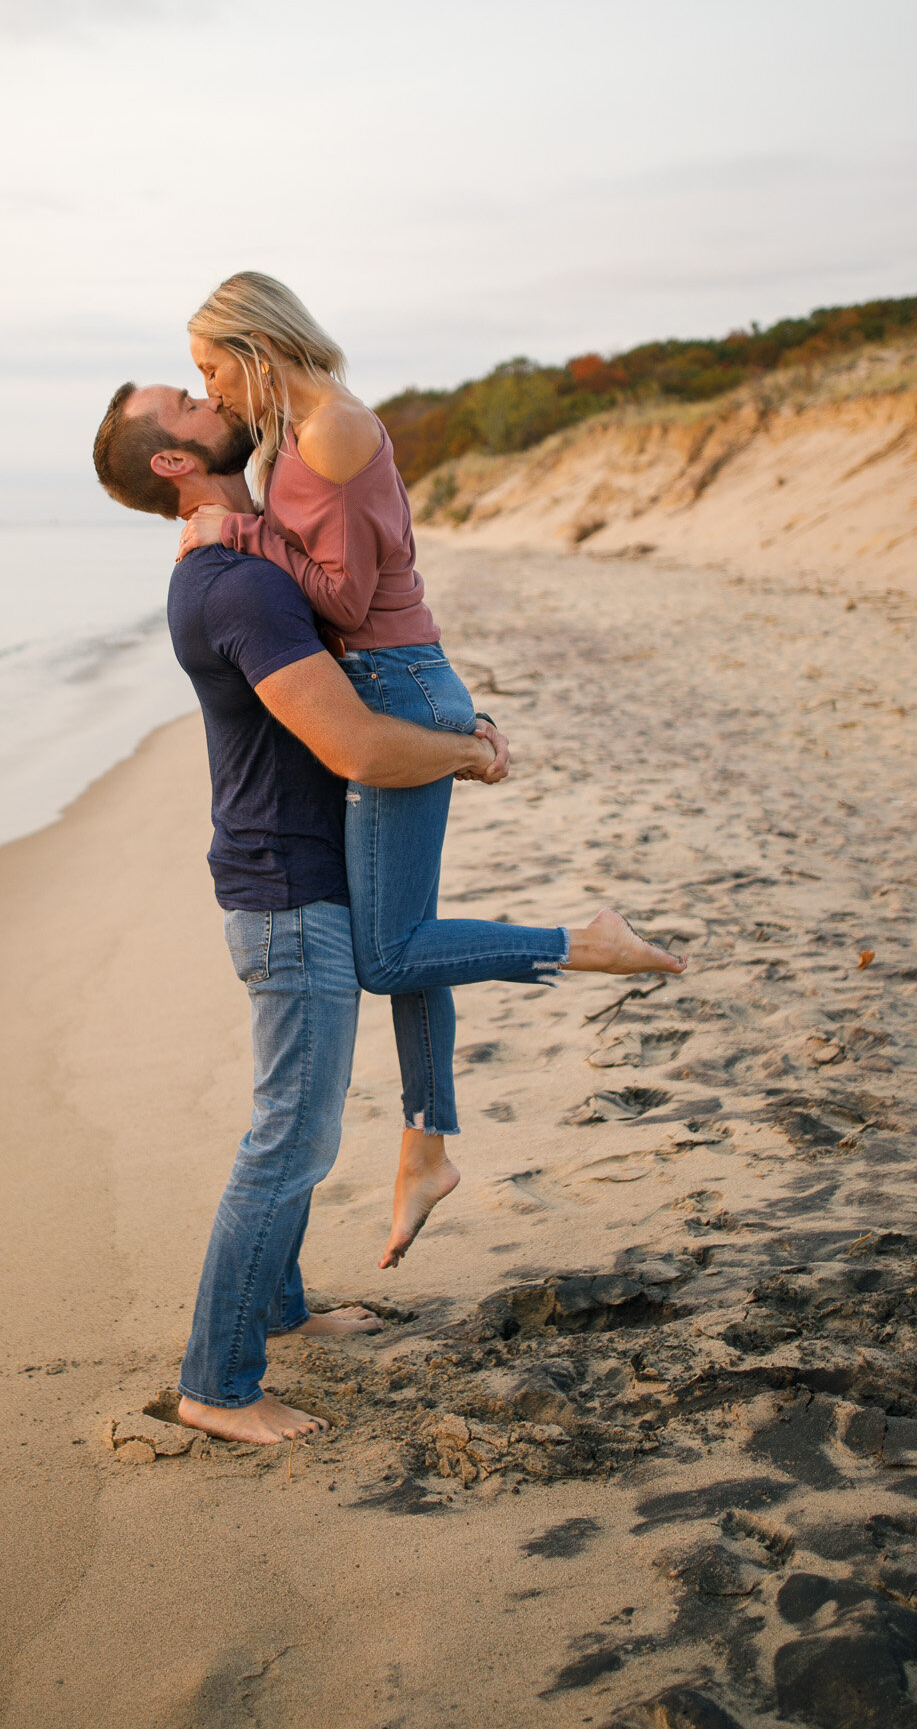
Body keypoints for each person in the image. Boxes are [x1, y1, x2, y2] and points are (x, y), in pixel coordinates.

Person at [91, 382, 681, 1443]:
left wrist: (462, 722)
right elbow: (358, 744)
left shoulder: (243, 553)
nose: (211, 395)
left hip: (301, 878)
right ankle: (218, 1385)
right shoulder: (233, 588)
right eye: (185, 400)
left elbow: (365, 632)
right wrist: (470, 751)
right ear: (174, 461)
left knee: (295, 1123)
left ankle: (284, 1310)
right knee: (290, 1141)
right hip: (288, 893)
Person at [174, 272, 684, 1265]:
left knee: (389, 950)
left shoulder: (329, 430)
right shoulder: (306, 423)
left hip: (395, 686)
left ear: (254, 347)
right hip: (403, 677)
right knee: (411, 939)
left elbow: (350, 595)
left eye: (209, 370)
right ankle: (427, 1145)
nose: (213, 392)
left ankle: (588, 941)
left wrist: (232, 532)